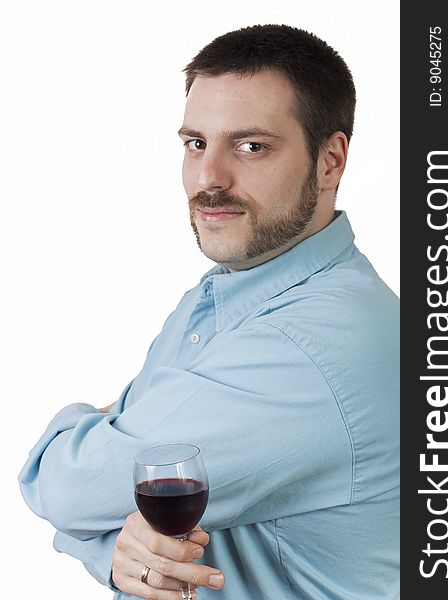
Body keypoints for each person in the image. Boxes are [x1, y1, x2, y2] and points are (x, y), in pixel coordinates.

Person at [19, 23, 399, 600]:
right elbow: (112, 504)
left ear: (331, 161)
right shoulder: (227, 291)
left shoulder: (310, 345)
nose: (207, 179)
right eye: (196, 143)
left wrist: (76, 434)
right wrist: (113, 550)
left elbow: (64, 485)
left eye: (251, 147)